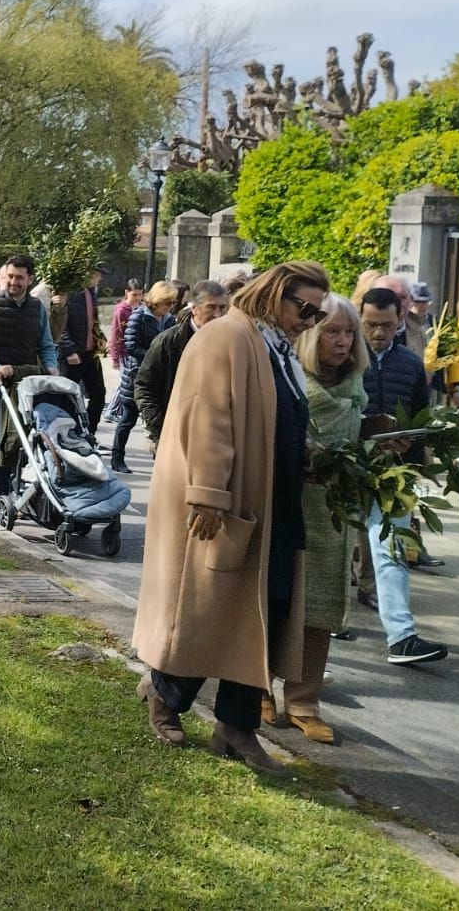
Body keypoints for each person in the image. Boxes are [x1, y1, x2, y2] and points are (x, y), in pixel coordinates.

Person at [132, 260, 329, 773]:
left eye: (317, 312)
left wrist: (311, 453)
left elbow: (280, 414)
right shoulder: (228, 337)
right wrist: (207, 494)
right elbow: (207, 414)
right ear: (273, 295)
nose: (309, 319)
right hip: (226, 500)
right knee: (205, 606)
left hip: (272, 499)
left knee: (266, 609)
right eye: (303, 307)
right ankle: (164, 695)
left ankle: (236, 727)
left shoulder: (275, 346)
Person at [274, 293, 367, 744]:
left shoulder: (357, 384)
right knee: (281, 600)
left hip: (335, 511)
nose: (343, 340)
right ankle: (258, 687)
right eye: (332, 330)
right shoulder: (292, 379)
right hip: (294, 504)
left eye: (349, 332)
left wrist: (379, 441)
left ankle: (305, 700)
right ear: (311, 334)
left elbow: (355, 443)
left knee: (323, 605)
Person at [358, 286, 448, 663]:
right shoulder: (342, 355)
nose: (379, 333)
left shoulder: (411, 364)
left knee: (391, 548)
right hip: (345, 466)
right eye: (371, 325)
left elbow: (419, 416)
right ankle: (326, 625)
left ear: (400, 321)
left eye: (388, 325)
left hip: (393, 472)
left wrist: (413, 456)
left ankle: (401, 636)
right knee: (333, 549)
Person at [0, 254, 59, 517]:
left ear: (30, 279)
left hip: (27, 380)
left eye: (19, 277)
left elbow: (46, 343)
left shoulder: (37, 308)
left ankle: (23, 491)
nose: (13, 282)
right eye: (9, 276)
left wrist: (51, 366)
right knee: (0, 436)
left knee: (28, 438)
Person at [133, 280, 229, 450]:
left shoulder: (231, 342)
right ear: (194, 308)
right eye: (211, 307)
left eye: (222, 308)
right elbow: (144, 387)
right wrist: (160, 430)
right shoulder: (169, 342)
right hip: (174, 432)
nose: (218, 314)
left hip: (215, 435)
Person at [107, 279, 180, 474]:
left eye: (173, 303)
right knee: (128, 419)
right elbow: (131, 346)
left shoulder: (169, 320)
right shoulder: (138, 316)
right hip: (137, 375)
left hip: (159, 376)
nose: (170, 307)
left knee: (159, 420)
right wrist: (154, 356)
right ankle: (117, 457)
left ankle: (162, 462)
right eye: (168, 302)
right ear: (157, 300)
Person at [60, 264, 108, 436]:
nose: (99, 279)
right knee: (67, 397)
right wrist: (69, 349)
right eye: (96, 275)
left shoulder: (91, 293)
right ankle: (68, 433)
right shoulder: (71, 293)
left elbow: (92, 321)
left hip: (90, 354)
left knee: (99, 394)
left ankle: (89, 432)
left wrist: (100, 338)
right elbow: (61, 325)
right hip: (73, 354)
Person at [108, 277, 142, 369]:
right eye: (134, 295)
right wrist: (115, 358)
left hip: (139, 350)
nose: (137, 298)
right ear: (127, 292)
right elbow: (116, 332)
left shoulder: (142, 307)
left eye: (140, 294)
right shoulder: (121, 310)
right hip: (125, 352)